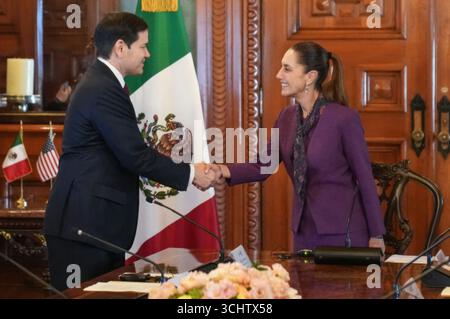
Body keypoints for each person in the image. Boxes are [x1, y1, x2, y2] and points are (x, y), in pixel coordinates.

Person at [43, 12, 218, 290]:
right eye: (143, 46)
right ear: (121, 48)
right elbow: (134, 154)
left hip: (95, 227)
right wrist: (190, 174)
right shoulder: (101, 88)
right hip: (83, 228)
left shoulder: (104, 83)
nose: (148, 54)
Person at [211, 42, 385, 253]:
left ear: (310, 77)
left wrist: (376, 235)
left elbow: (365, 178)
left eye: (287, 68)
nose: (278, 75)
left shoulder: (343, 119)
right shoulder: (286, 118)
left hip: (343, 233)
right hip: (303, 232)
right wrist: (221, 170)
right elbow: (263, 165)